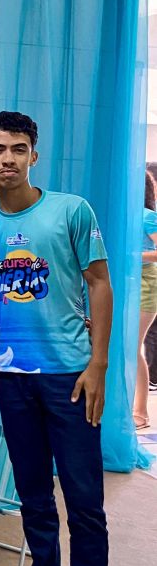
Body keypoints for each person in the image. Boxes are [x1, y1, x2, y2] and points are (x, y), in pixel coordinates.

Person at [0, 111, 113, 566]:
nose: (8, 158)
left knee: (84, 503)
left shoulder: (71, 211)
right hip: (13, 377)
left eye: (18, 148)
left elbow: (99, 282)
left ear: (34, 155)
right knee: (32, 494)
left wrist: (98, 364)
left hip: (70, 377)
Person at [133, 170, 157, 429]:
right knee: (128, 348)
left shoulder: (148, 216)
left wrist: (133, 255)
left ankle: (141, 411)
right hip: (129, 283)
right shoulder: (128, 216)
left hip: (146, 284)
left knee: (134, 347)